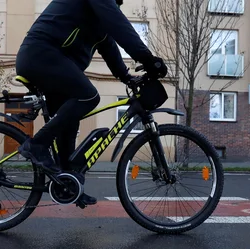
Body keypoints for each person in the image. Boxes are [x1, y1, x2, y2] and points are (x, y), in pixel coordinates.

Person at [15, 0, 168, 206]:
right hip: (40, 55)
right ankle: (37, 145)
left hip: (48, 60)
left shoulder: (98, 22)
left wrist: (128, 78)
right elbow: (120, 26)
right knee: (88, 96)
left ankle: (68, 183)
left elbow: (111, 49)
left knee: (69, 123)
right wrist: (148, 59)